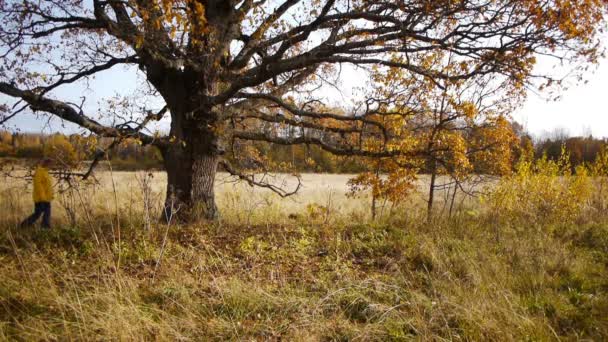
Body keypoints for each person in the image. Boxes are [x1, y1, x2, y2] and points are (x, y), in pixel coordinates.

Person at [21, 158, 54, 229]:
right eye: (49, 163)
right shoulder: (39, 172)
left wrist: (51, 195)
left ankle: (45, 227)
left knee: (46, 213)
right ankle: (24, 225)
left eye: (51, 164)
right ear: (45, 163)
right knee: (38, 214)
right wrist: (43, 198)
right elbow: (38, 186)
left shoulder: (45, 172)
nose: (50, 165)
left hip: (47, 198)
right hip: (41, 198)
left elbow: (47, 185)